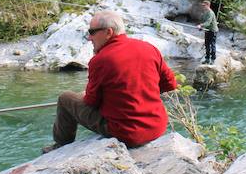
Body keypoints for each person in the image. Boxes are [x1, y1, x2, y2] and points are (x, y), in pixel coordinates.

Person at [43, 10, 178, 153]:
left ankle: (61, 146)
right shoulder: (149, 48)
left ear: (108, 32)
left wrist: (85, 94)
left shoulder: (101, 60)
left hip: (127, 134)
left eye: (92, 32)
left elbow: (91, 101)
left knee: (66, 98)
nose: (89, 38)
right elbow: (170, 84)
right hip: (157, 128)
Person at [197, 0, 218, 64]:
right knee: (207, 45)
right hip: (207, 31)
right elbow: (204, 21)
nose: (203, 7)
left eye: (204, 5)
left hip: (213, 31)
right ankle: (207, 59)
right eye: (203, 5)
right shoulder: (205, 13)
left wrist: (201, 25)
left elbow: (208, 22)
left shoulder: (210, 13)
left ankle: (213, 59)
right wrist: (201, 27)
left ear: (208, 5)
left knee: (212, 45)